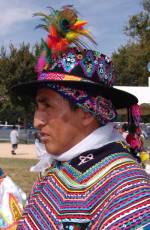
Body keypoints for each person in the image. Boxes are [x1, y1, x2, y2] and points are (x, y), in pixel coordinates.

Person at [12, 5, 150, 229]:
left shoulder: (128, 192)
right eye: (37, 107)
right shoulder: (59, 169)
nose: (37, 121)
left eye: (47, 105)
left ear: (87, 111)